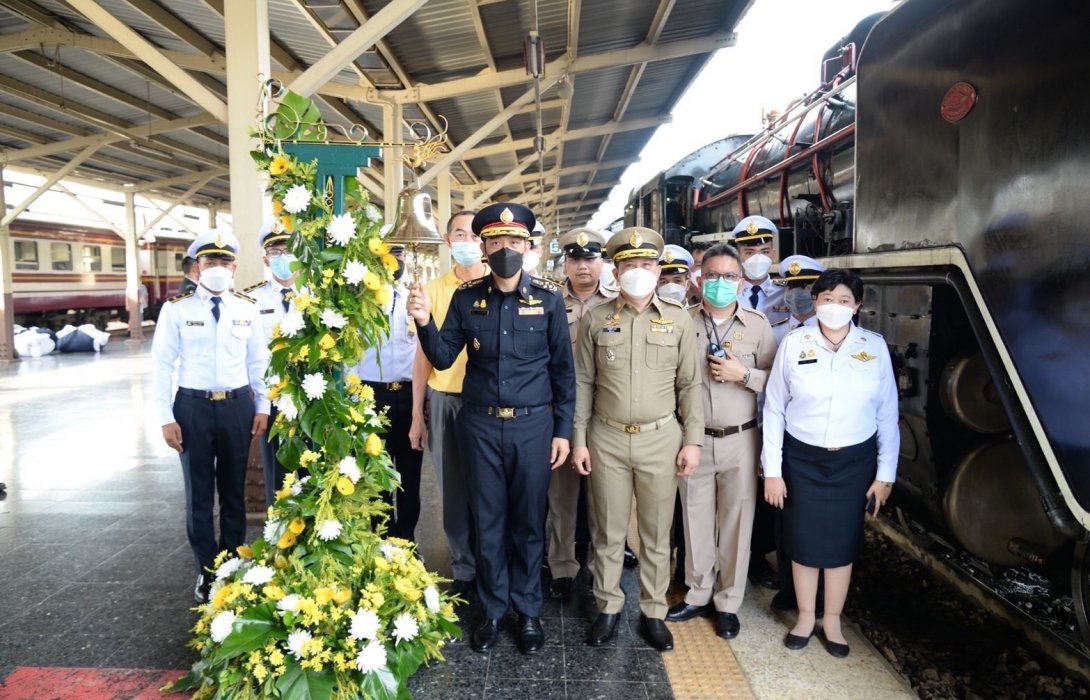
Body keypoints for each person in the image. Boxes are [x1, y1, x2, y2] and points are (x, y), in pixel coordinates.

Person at [408, 203, 575, 655]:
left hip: (533, 427)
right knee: (488, 520)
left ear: (528, 247)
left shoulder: (549, 299)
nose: (506, 250)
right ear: (483, 247)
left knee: (528, 522)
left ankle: (529, 612)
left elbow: (563, 372)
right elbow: (442, 357)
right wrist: (424, 321)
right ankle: (494, 608)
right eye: (496, 242)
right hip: (479, 426)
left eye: (515, 242)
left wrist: (562, 431)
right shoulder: (467, 299)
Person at [572, 227, 703, 652]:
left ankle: (653, 611)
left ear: (658, 268)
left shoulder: (678, 318)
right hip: (606, 437)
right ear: (616, 268)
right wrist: (578, 439)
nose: (637, 271)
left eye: (645, 264)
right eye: (628, 264)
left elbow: (690, 386)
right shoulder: (595, 318)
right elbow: (583, 383)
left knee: (655, 534)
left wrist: (693, 441)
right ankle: (608, 606)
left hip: (661, 438)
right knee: (607, 530)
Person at [762, 268, 899, 658]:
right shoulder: (794, 342)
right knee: (802, 542)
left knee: (841, 545)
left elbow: (887, 415)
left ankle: (833, 620)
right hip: (802, 459)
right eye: (826, 299)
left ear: (858, 306)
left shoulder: (874, 348)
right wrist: (773, 471)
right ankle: (806, 617)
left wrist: (884, 477)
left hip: (854, 463)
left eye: (844, 301)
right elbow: (774, 409)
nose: (834, 307)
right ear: (815, 301)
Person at [151, 230, 270, 603]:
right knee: (199, 496)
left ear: (234, 267)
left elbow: (259, 362)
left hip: (237, 406)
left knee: (234, 492)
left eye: (223, 262)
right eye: (209, 262)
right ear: (196, 268)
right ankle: (205, 572)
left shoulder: (247, 307)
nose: (217, 268)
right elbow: (161, 364)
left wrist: (263, 406)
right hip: (192, 408)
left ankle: (231, 566)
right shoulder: (177, 309)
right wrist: (165, 416)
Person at [665, 243, 776, 640]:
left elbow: (776, 384)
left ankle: (728, 602)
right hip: (693, 439)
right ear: (699, 277)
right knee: (694, 518)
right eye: (712, 275)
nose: (720, 283)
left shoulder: (759, 325)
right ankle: (697, 593)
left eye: (730, 276)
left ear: (741, 281)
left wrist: (742, 374)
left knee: (736, 521)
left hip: (741, 440)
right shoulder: (680, 321)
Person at [409, 209, 483, 599]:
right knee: (452, 487)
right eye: (460, 234)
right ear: (447, 239)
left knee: (488, 487)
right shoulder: (433, 290)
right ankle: (464, 565)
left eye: (475, 235)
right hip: (445, 400)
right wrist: (416, 415)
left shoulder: (495, 287)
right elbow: (422, 357)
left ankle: (491, 560)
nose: (468, 242)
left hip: (487, 403)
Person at [546, 226, 617, 600]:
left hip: (607, 412)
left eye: (590, 258)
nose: (583, 265)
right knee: (562, 494)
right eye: (575, 258)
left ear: (603, 262)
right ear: (566, 263)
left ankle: (600, 566)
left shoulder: (620, 300)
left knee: (605, 497)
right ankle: (561, 564)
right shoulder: (549, 299)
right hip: (561, 408)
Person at [768, 254, 827, 613]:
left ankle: (822, 596)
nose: (798, 293)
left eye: (805, 287)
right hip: (787, 438)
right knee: (786, 516)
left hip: (823, 440)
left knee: (822, 520)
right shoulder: (779, 328)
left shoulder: (844, 334)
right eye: (792, 287)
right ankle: (792, 588)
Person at [351, 247, 422, 541]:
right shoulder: (359, 302)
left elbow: (422, 353)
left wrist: (423, 402)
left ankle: (405, 542)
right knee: (375, 478)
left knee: (408, 477)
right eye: (388, 257)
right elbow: (349, 356)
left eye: (399, 256)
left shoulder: (415, 299)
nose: (395, 263)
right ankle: (378, 540)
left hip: (407, 397)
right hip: (370, 396)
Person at [734, 215, 788, 590]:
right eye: (748, 248)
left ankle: (757, 558)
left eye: (763, 248)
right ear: (738, 252)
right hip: (735, 406)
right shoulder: (723, 290)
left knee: (767, 482)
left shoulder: (790, 294)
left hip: (774, 407)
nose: (756, 254)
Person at [244, 220, 299, 507]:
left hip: (313, 400)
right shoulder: (251, 300)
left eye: (288, 250)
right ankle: (280, 535)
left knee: (313, 472)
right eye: (275, 252)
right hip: (274, 400)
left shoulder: (317, 295)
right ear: (266, 259)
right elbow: (250, 354)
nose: (282, 257)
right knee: (278, 477)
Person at [780, 255, 826, 333]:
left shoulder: (829, 331)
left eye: (805, 286)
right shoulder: (774, 332)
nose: (795, 293)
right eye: (791, 286)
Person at [686, 241, 711, 305]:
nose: (704, 270)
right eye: (699, 265)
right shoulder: (681, 299)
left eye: (709, 266)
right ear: (688, 269)